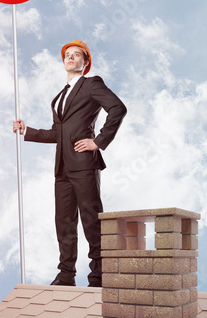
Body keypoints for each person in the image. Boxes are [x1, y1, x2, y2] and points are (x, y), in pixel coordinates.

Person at [12, 40, 126, 287]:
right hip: (62, 167)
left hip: (84, 164)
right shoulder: (60, 96)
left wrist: (98, 141)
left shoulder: (91, 84)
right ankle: (66, 275)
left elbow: (118, 108)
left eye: (77, 55)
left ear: (85, 63)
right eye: (68, 55)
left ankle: (99, 275)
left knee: (91, 219)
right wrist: (26, 130)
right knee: (63, 222)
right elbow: (57, 133)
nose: (71, 57)